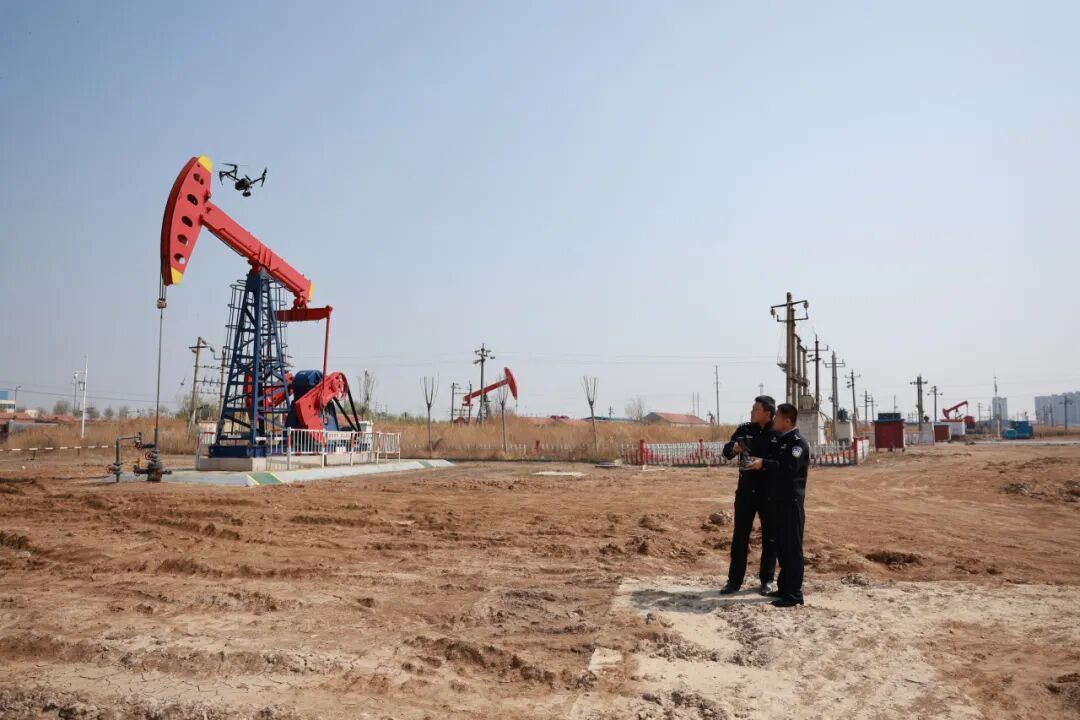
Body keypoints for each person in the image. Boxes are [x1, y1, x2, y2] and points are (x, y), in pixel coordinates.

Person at [718, 396, 779, 595]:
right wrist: (734, 448)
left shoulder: (778, 432)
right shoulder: (744, 429)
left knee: (770, 537)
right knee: (740, 536)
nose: (751, 412)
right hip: (746, 491)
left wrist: (764, 464)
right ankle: (734, 581)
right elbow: (726, 452)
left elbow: (783, 462)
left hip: (769, 492)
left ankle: (767, 580)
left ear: (767, 413)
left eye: (755, 409)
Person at [755, 402, 810, 608]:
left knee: (792, 549)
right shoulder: (782, 441)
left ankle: (794, 594)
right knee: (782, 548)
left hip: (791, 503)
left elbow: (788, 469)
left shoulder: (797, 443)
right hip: (778, 502)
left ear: (787, 421)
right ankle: (785, 588)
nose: (774, 420)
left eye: (777, 416)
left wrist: (764, 464)